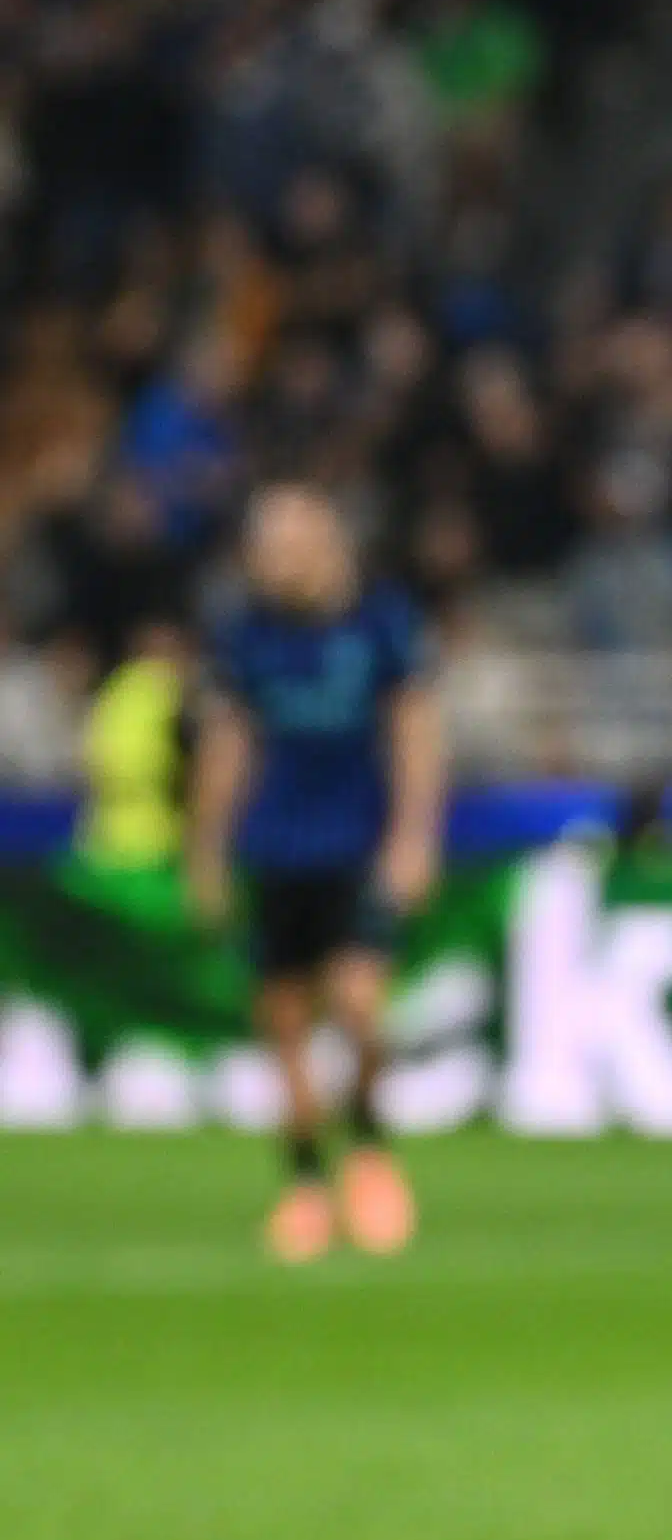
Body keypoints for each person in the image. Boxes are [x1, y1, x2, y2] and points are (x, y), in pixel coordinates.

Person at [188, 484, 443, 1263]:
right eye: (263, 548)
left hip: (357, 846)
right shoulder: (246, 634)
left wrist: (414, 837)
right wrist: (208, 851)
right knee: (286, 1025)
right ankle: (304, 1184)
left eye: (285, 546)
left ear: (325, 542)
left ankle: (368, 1146)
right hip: (276, 848)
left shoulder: (382, 622)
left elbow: (415, 731)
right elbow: (229, 745)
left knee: (360, 1004)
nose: (271, 562)